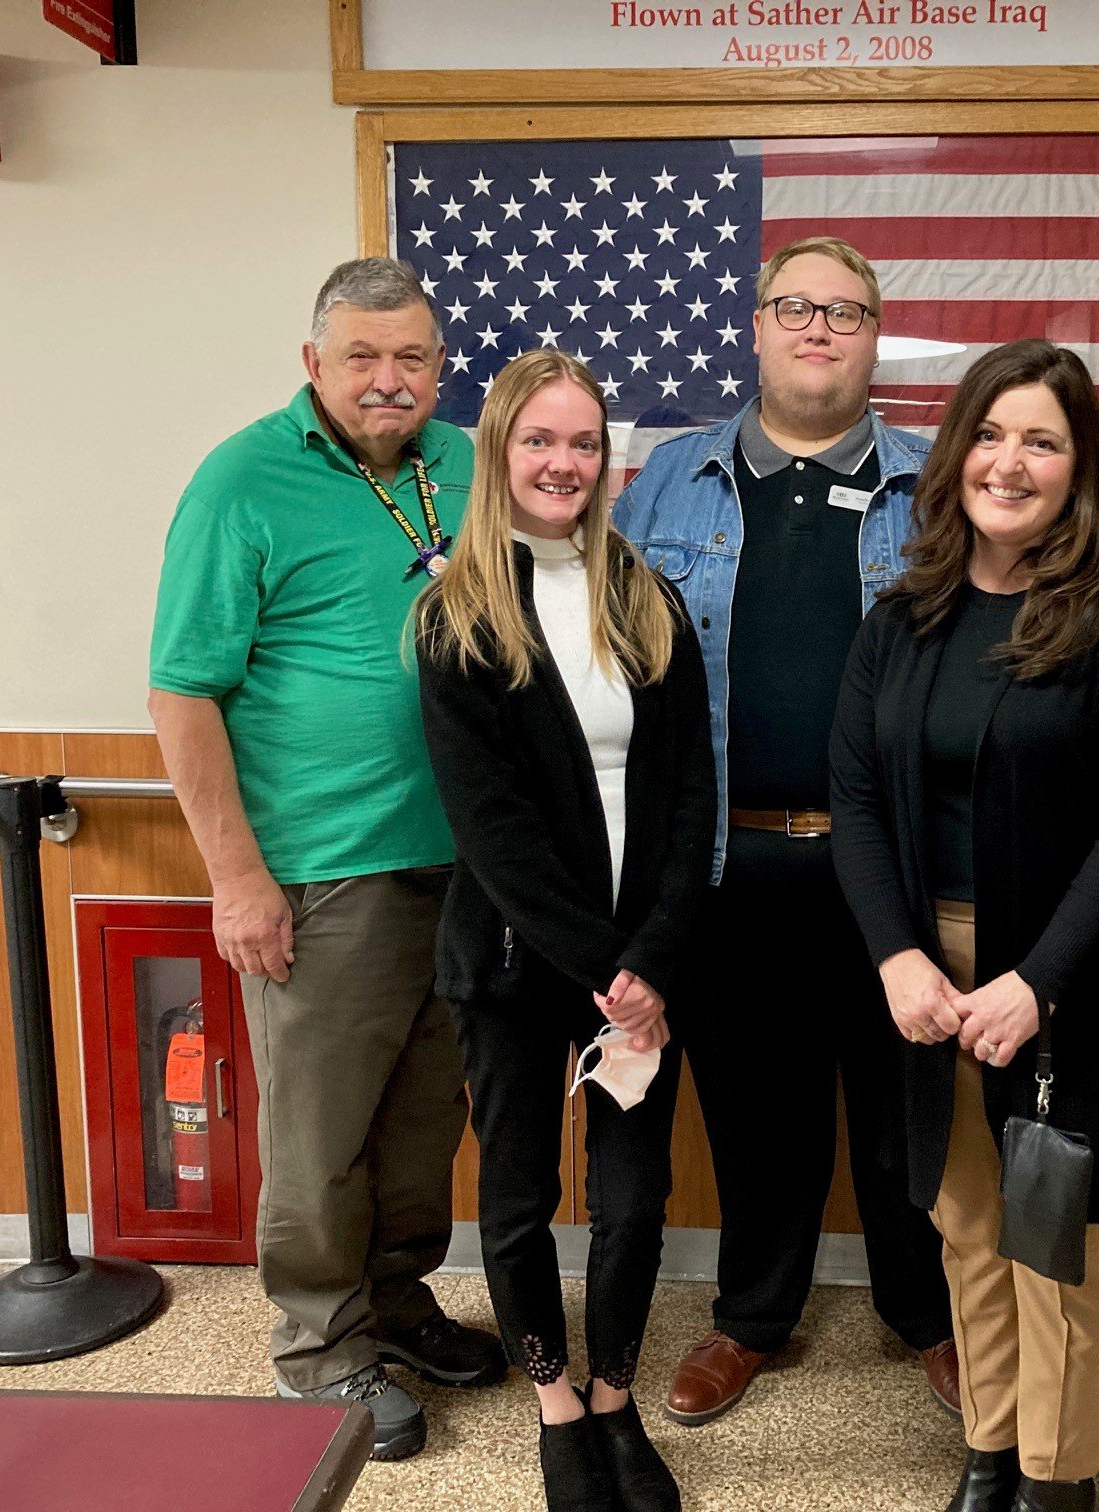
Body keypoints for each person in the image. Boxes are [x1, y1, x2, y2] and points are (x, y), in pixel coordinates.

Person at [831, 339, 1099, 1512]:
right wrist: (896, 954)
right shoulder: (907, 616)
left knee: (1065, 1246)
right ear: (955, 456)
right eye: (990, 435)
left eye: (1041, 439)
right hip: (929, 977)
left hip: (1071, 981)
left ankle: (1057, 1480)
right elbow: (854, 798)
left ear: (1078, 464)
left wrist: (1037, 981)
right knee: (969, 1228)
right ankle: (990, 1455)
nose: (1010, 461)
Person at [147, 256, 504, 1461]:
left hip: (460, 868)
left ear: (441, 367)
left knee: (418, 1125)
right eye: (362, 357)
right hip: (322, 872)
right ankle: (318, 1341)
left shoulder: (467, 462)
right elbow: (185, 691)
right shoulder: (241, 481)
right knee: (320, 1133)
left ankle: (398, 1304)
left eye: (412, 358)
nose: (388, 380)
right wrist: (236, 878)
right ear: (315, 365)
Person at [613, 236, 958, 1425]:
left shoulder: (942, 480)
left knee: (910, 1106)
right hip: (727, 861)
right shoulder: (666, 477)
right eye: (796, 308)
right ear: (755, 328)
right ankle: (755, 1317)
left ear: (876, 337)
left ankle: (930, 1316)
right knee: (758, 1117)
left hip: (893, 870)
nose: (819, 329)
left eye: (847, 313)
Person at [416, 349, 715, 1511]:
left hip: (642, 965)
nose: (563, 462)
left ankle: (614, 1395)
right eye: (539, 440)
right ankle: (553, 1404)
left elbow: (690, 790)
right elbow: (491, 830)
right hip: (514, 965)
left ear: (607, 459)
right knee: (521, 1196)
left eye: (583, 442)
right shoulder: (458, 615)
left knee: (635, 1201)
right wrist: (607, 967)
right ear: (499, 453)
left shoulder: (645, 596)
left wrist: (651, 959)